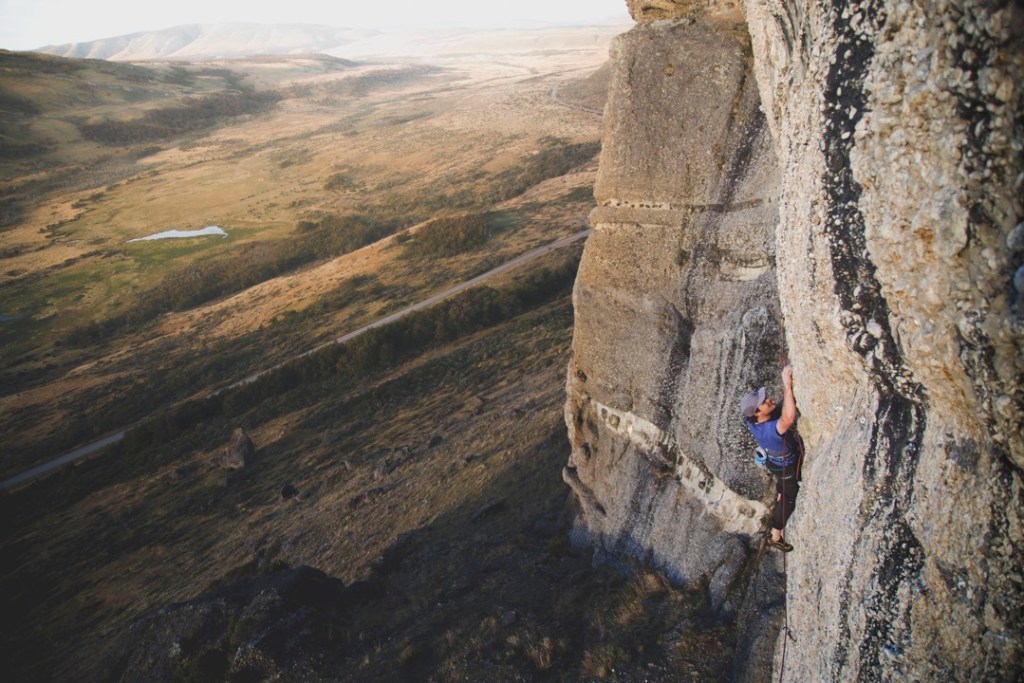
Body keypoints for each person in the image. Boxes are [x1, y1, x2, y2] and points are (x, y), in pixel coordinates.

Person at [739, 365, 803, 552]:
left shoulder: (752, 420)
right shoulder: (770, 431)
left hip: (774, 464)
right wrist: (787, 386)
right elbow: (788, 418)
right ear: (757, 413)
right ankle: (776, 535)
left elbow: (780, 410)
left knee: (783, 490)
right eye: (763, 402)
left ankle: (780, 495)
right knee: (789, 499)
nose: (768, 399)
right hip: (788, 466)